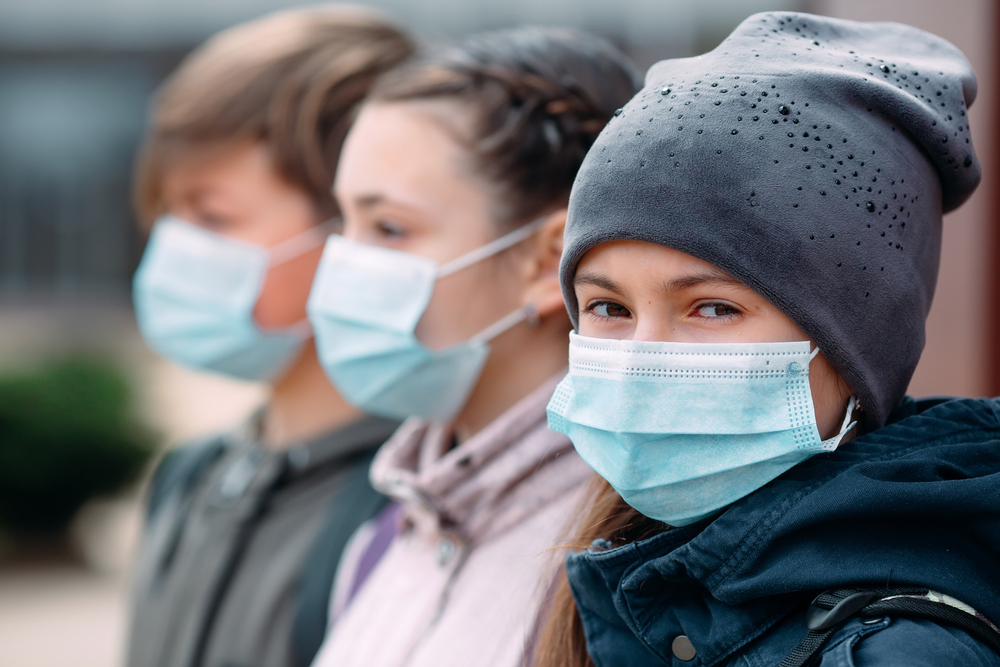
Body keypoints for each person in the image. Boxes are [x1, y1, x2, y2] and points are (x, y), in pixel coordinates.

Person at [535, 12, 1000, 667]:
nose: (641, 359)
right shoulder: (636, 577)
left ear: (855, 348)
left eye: (714, 308)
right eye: (609, 306)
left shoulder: (897, 652)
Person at [304, 27, 640, 667]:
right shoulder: (383, 537)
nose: (343, 261)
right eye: (345, 221)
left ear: (546, 260)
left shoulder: (618, 574)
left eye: (390, 227)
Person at [126, 8, 414, 667]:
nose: (175, 246)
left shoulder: (408, 512)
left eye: (212, 216)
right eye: (167, 213)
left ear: (355, 226)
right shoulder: (190, 479)